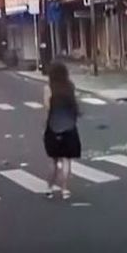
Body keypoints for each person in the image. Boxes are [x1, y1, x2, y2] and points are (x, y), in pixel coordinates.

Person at [43, 62, 81, 200]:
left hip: (53, 126)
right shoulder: (70, 86)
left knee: (53, 161)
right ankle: (65, 190)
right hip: (69, 126)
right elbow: (74, 105)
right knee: (66, 161)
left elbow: (47, 107)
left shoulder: (48, 88)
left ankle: (49, 188)